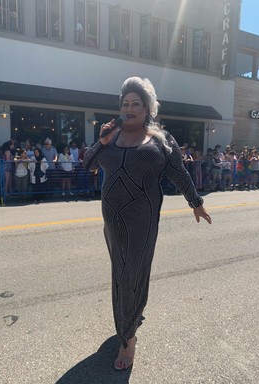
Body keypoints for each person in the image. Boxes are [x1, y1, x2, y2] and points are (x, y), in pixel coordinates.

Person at [83, 76, 212, 371]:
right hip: (112, 220)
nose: (129, 108)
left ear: (147, 108)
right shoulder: (110, 137)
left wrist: (196, 203)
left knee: (132, 274)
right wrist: (101, 141)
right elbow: (88, 164)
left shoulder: (161, 141)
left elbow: (180, 174)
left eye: (135, 104)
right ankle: (130, 319)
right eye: (125, 104)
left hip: (142, 220)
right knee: (120, 273)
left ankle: (128, 338)